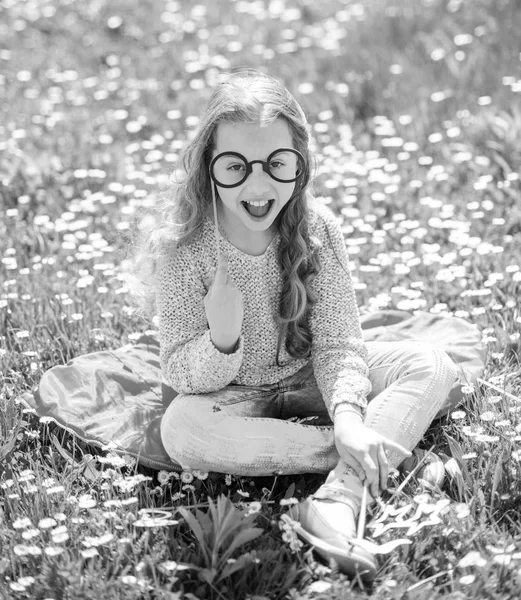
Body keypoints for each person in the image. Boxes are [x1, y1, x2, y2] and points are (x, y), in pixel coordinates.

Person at [131, 69, 458, 581]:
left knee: (431, 364)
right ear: (206, 167)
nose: (258, 187)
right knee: (183, 430)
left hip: (312, 378)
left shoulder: (317, 228)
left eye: (277, 164)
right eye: (235, 167)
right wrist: (222, 339)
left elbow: (338, 344)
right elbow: (179, 372)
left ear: (300, 164)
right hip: (234, 394)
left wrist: (349, 417)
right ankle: (382, 458)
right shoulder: (185, 249)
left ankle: (336, 498)